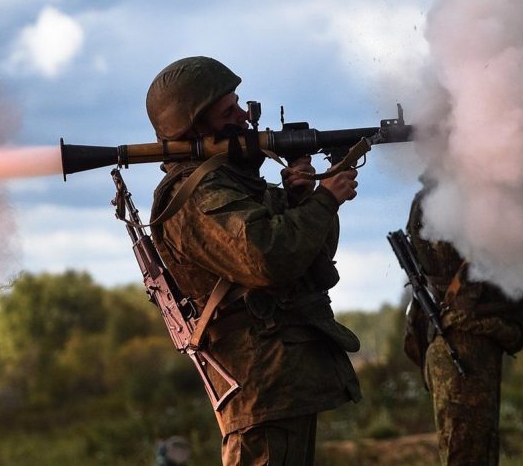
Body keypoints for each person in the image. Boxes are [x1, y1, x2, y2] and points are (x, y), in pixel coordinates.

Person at [145, 56, 362, 465]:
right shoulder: (196, 193)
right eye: (228, 112)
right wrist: (325, 199)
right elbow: (268, 257)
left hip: (280, 383)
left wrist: (304, 199)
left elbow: (312, 260)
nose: (244, 118)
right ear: (196, 127)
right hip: (260, 387)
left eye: (240, 106)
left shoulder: (234, 183)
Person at [403, 177, 523, 466]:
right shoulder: (444, 200)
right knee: (466, 451)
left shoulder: (455, 198)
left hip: (467, 339)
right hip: (461, 343)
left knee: (478, 449)